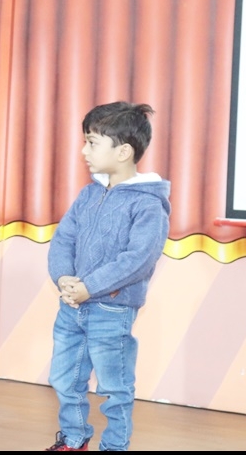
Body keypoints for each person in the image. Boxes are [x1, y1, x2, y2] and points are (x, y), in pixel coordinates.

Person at [45, 102, 171, 452]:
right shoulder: (89, 194)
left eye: (92, 142)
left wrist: (90, 287)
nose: (83, 151)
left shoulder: (147, 203)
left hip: (111, 311)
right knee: (64, 379)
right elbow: (64, 239)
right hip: (72, 307)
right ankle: (74, 439)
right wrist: (64, 279)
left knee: (115, 388)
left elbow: (139, 259)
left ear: (123, 152)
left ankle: (114, 446)